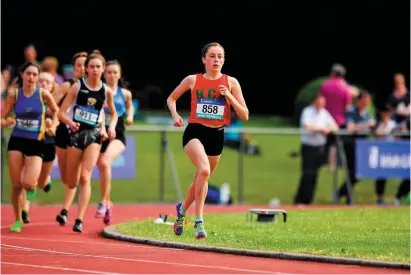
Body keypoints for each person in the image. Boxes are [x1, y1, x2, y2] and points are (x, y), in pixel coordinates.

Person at [166, 42, 249, 239]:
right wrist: (175, 115)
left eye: (220, 56)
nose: (216, 60)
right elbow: (171, 98)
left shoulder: (231, 83)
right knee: (203, 170)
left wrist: (229, 96)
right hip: (195, 132)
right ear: (204, 59)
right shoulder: (192, 80)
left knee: (200, 179)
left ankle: (181, 211)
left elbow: (244, 115)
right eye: (212, 56)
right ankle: (199, 222)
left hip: (216, 136)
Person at [57, 50, 118, 233]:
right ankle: (67, 208)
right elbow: (61, 111)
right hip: (75, 135)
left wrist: (111, 127)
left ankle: (79, 219)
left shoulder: (106, 91)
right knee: (71, 180)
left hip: (93, 135)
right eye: (91, 67)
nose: (94, 70)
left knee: (85, 176)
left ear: (103, 68)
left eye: (98, 66)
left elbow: (113, 114)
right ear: (87, 69)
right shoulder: (77, 87)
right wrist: (69, 122)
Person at [1, 62, 59, 232]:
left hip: (36, 141)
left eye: (35, 74)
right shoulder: (14, 95)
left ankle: (32, 186)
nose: (32, 77)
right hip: (17, 141)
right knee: (16, 184)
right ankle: (18, 219)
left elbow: (56, 112)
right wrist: (7, 121)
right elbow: (3, 118)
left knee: (28, 182)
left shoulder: (44, 94)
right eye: (29, 74)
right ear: (22, 75)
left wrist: (52, 127)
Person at [96, 60, 134, 224]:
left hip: (117, 132)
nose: (112, 75)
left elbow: (130, 106)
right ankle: (108, 203)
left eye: (115, 72)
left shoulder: (125, 93)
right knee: (103, 169)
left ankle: (103, 202)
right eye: (109, 72)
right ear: (104, 74)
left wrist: (130, 116)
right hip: (99, 131)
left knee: (104, 163)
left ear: (119, 74)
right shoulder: (98, 91)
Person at [53, 52, 88, 225]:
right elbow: (53, 103)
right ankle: (67, 208)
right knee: (66, 177)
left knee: (77, 176)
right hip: (63, 131)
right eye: (78, 65)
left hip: (81, 133)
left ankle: (66, 211)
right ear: (73, 68)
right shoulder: (68, 85)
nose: (82, 68)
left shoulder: (94, 88)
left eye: (84, 65)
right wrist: (52, 120)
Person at [21, 72, 58, 223]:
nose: (43, 84)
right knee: (26, 176)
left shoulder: (55, 104)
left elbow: (60, 119)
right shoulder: (28, 99)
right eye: (40, 81)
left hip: (48, 144)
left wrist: (52, 125)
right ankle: (25, 209)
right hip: (29, 142)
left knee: (41, 183)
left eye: (47, 82)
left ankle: (45, 179)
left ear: (52, 86)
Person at [294, 93, 338, 205]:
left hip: (319, 148)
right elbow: (307, 126)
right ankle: (300, 199)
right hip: (308, 147)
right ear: (314, 101)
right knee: (307, 173)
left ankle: (309, 200)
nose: (321, 104)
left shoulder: (324, 113)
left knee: (314, 175)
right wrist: (321, 129)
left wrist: (327, 129)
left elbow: (335, 126)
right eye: (320, 101)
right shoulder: (307, 112)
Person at [337, 91, 375, 204]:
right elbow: (350, 127)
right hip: (351, 145)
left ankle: (341, 192)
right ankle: (347, 196)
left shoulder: (367, 113)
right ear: (359, 101)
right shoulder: (352, 112)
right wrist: (365, 125)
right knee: (352, 171)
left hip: (363, 145)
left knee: (359, 173)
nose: (366, 103)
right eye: (364, 101)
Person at [319, 63, 353, 172]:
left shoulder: (325, 85)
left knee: (325, 142)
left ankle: (325, 163)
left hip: (325, 118)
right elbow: (347, 106)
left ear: (333, 73)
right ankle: (334, 164)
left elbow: (320, 101)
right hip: (340, 120)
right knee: (336, 143)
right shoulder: (346, 87)